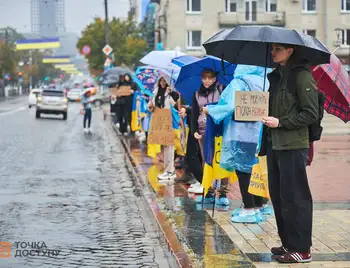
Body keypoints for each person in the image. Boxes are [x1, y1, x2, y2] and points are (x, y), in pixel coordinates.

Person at [259, 43, 318, 264]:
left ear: (290, 50)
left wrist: (280, 122)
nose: (273, 52)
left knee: (296, 197)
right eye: (272, 48)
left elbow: (310, 113)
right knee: (279, 195)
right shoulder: (276, 76)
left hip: (293, 145)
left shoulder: (301, 76)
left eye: (278, 48)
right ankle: (288, 242)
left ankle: (302, 249)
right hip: (274, 144)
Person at [204, 65, 274, 222]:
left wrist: (210, 110)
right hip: (258, 131)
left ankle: (249, 208)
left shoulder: (238, 83)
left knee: (243, 171)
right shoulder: (266, 82)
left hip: (239, 131)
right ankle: (258, 206)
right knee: (254, 169)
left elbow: (228, 106)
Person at [189, 69, 228, 205]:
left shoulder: (222, 90)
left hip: (219, 130)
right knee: (206, 160)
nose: (206, 81)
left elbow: (226, 108)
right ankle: (209, 191)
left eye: (209, 78)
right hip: (203, 131)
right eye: (204, 78)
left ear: (215, 78)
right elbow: (194, 114)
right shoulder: (196, 94)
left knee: (221, 159)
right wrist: (194, 130)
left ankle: (223, 193)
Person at [148, 76, 177, 180]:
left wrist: (173, 94)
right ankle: (167, 170)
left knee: (169, 146)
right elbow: (153, 107)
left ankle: (171, 170)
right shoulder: (156, 92)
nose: (163, 83)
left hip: (168, 122)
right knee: (164, 146)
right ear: (159, 81)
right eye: (161, 80)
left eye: (165, 81)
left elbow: (176, 105)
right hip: (158, 122)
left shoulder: (170, 93)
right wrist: (150, 106)